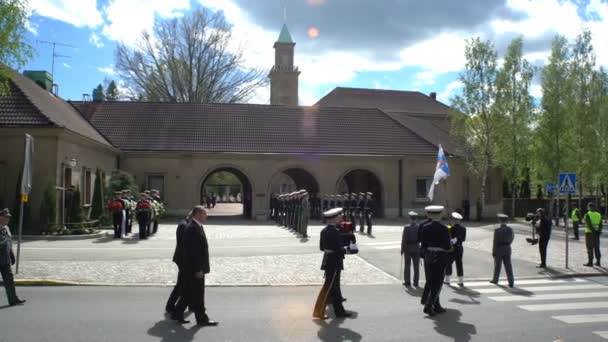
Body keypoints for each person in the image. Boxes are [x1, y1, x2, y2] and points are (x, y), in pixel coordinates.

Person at [172, 206, 218, 326]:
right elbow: (193, 252)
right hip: (195, 269)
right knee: (197, 294)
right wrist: (198, 269)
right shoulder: (192, 228)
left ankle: (178, 313)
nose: (206, 216)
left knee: (190, 292)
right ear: (197, 214)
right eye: (204, 214)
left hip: (194, 268)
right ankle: (201, 318)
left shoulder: (196, 226)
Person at [317, 208, 352, 318]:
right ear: (333, 219)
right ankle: (322, 312)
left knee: (331, 287)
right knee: (332, 287)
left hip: (328, 260)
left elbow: (322, 247)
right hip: (334, 261)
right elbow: (338, 248)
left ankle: (338, 311)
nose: (340, 218)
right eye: (338, 217)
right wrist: (347, 250)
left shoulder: (324, 231)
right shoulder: (335, 231)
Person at [419, 205, 451, 316]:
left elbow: (423, 245)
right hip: (440, 257)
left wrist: (424, 254)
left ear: (430, 215)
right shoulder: (444, 228)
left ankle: (434, 305)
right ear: (440, 214)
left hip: (428, 256)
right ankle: (429, 305)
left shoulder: (425, 227)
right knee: (438, 282)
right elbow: (447, 246)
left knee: (430, 281)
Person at [166, 212, 192, 315]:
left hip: (183, 258)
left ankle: (189, 304)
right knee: (181, 284)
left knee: (185, 283)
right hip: (183, 259)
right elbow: (184, 244)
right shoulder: (183, 226)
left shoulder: (185, 224)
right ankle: (170, 306)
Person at [0, 209, 25, 306]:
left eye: (9, 217)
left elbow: (9, 243)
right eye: (6, 217)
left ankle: (13, 299)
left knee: (9, 280)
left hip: (5, 259)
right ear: (0, 217)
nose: (8, 219)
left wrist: (12, 254)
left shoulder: (6, 228)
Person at [491, 214, 515, 287]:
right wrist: (508, 244)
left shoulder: (497, 230)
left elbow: (495, 242)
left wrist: (494, 251)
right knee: (508, 266)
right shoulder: (510, 230)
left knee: (497, 265)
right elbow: (512, 239)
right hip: (507, 248)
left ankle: (495, 279)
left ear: (500, 221)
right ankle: (511, 281)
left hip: (499, 248)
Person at [445, 212, 467, 287]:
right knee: (459, 264)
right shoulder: (463, 228)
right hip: (460, 248)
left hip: (452, 248)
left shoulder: (451, 228)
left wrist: (449, 227)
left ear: (455, 220)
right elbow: (463, 239)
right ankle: (461, 281)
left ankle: (447, 280)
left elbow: (449, 238)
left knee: (448, 263)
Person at [401, 211, 420, 287]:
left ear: (410, 219)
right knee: (416, 266)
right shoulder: (419, 227)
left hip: (408, 248)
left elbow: (404, 239)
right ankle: (416, 282)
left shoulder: (407, 227)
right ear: (416, 219)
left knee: (407, 266)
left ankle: (407, 282)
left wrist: (402, 249)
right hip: (416, 248)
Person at [583, 203, 602, 267]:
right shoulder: (598, 214)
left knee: (590, 248)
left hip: (589, 233)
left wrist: (593, 231)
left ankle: (590, 262)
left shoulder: (587, 214)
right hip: (597, 234)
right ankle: (598, 262)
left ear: (589, 207)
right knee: (597, 247)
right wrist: (598, 231)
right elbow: (600, 224)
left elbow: (589, 224)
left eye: (588, 207)